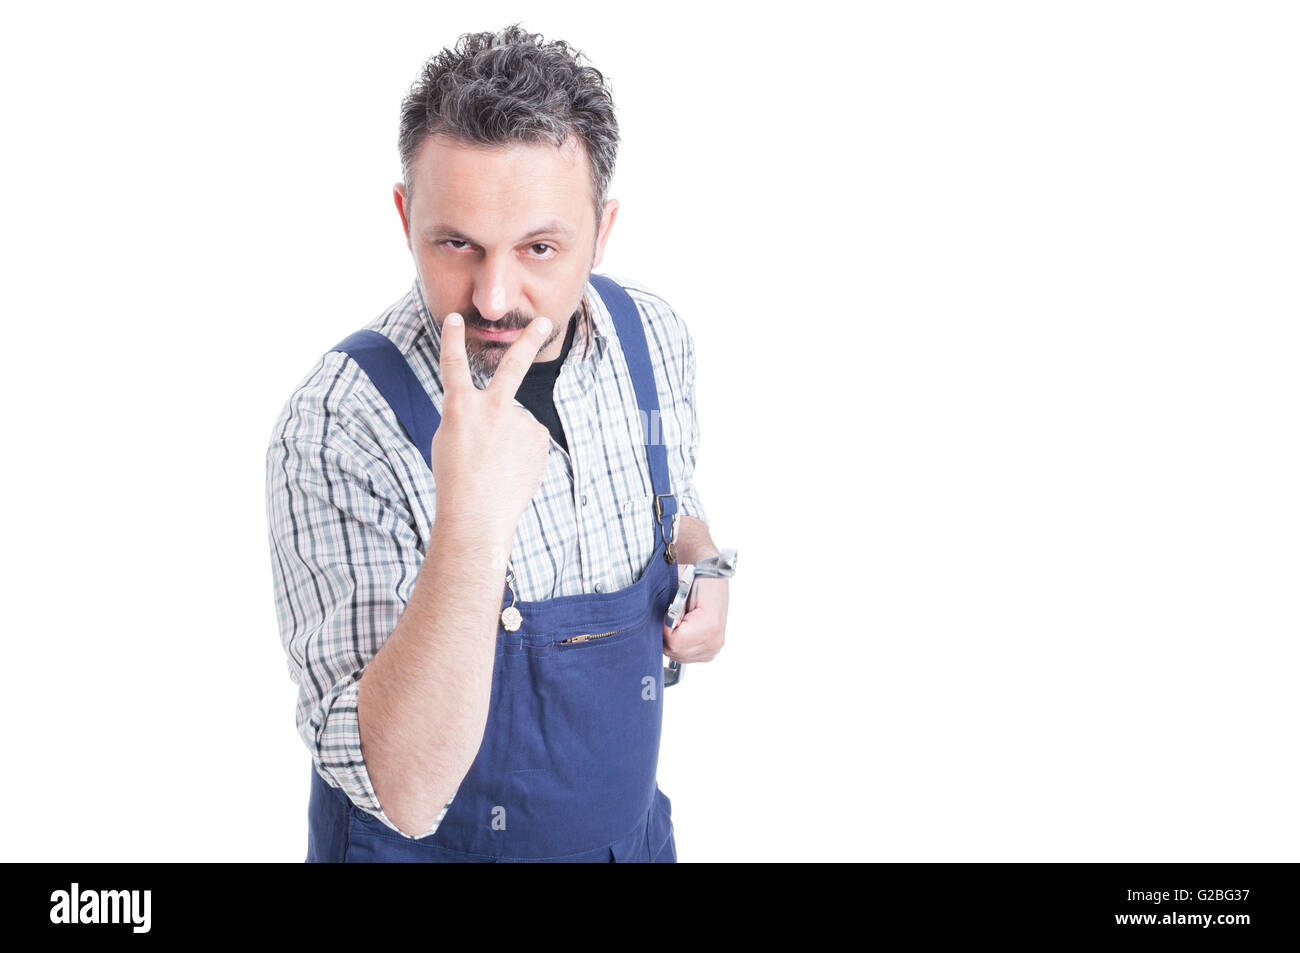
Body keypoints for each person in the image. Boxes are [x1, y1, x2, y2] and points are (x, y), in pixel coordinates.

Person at [264, 23, 729, 862]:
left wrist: (705, 565)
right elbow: (399, 789)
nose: (494, 295)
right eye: (457, 244)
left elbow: (675, 501)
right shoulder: (338, 426)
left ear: (604, 229)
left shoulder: (653, 340)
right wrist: (472, 519)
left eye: (540, 248)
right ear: (406, 217)